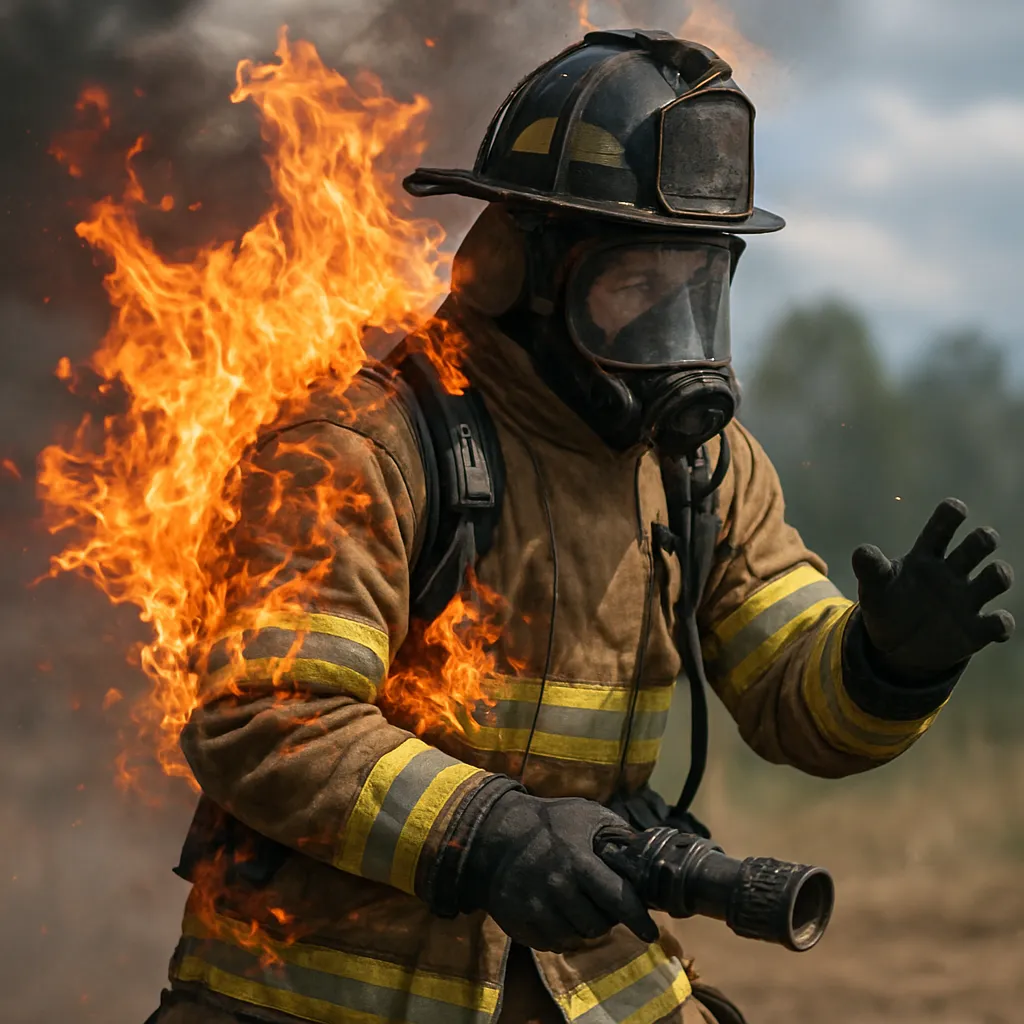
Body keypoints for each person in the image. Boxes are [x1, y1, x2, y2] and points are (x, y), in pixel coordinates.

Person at [147, 29, 1015, 1024]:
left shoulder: (700, 468)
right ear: (533, 268)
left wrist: (882, 665)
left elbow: (794, 699)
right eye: (631, 286)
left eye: (691, 287)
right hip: (323, 993)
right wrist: (491, 830)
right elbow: (268, 713)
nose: (669, 331)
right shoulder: (361, 447)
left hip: (595, 986)